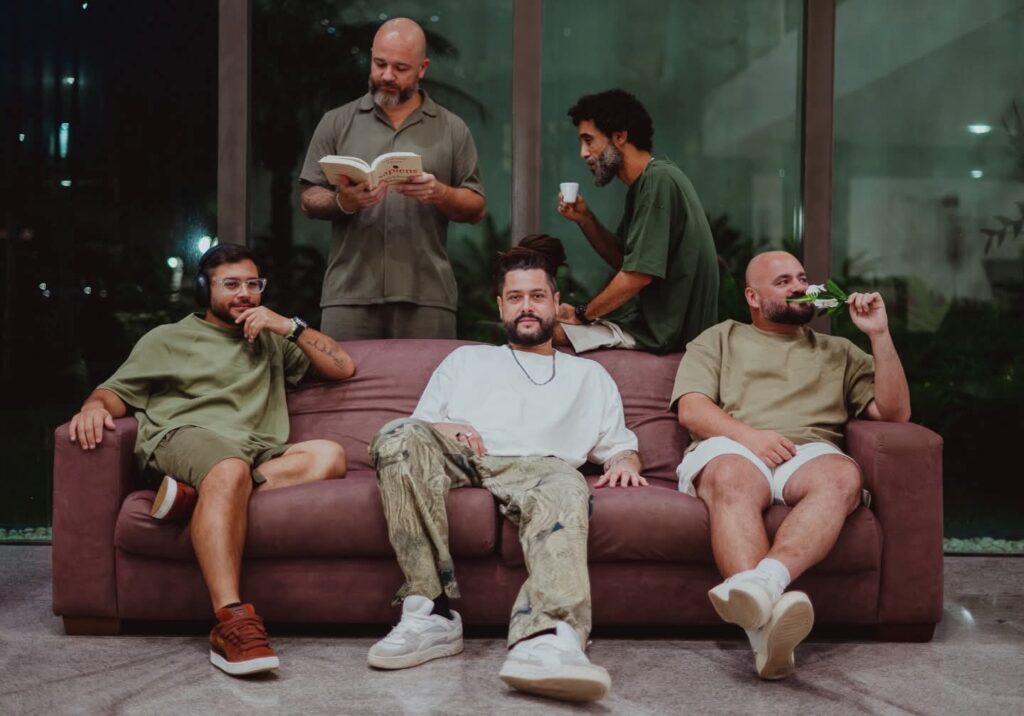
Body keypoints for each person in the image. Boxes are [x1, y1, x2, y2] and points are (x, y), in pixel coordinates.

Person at [365, 235, 646, 702]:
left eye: (537, 296)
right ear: (500, 307)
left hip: (542, 469)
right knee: (396, 435)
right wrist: (449, 427)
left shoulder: (589, 375)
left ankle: (549, 638)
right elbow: (418, 427)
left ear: (556, 302)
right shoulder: (466, 359)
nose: (527, 307)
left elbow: (620, 448)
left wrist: (625, 463)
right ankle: (429, 613)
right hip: (465, 458)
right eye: (515, 298)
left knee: (566, 482)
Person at [68, 243, 356, 677]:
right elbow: (114, 392)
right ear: (205, 289)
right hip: (183, 436)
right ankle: (231, 621)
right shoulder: (168, 338)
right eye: (231, 284)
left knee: (329, 456)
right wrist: (93, 407)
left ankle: (198, 498)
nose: (245, 294)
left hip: (252, 449)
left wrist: (288, 326)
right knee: (228, 468)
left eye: (253, 284)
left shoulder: (272, 339)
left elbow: (343, 367)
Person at [671, 251, 911, 679]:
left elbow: (894, 413)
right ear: (753, 297)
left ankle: (765, 585)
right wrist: (752, 437)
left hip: (808, 452)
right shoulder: (720, 338)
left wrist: (879, 334)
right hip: (735, 446)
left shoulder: (838, 351)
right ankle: (766, 634)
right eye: (783, 282)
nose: (799, 286)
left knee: (842, 475)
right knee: (731, 477)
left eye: (801, 278)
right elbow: (692, 409)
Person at [299, 17, 486, 341]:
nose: (387, 76)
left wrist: (440, 193)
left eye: (400, 68)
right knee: (343, 377)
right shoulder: (335, 122)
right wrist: (343, 201)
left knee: (429, 377)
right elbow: (308, 199)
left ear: (422, 69)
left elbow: (476, 208)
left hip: (428, 296)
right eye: (379, 64)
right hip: (348, 295)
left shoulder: (452, 128)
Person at [556, 88, 718, 354]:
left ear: (620, 137)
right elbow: (625, 261)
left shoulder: (658, 180)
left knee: (551, 332)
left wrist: (582, 314)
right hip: (654, 329)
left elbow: (636, 276)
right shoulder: (644, 186)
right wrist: (585, 218)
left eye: (589, 140)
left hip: (667, 336)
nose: (583, 153)